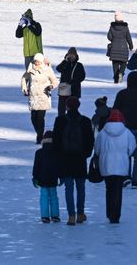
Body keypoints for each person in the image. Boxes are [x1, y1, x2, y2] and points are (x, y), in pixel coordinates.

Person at [53, 95, 95, 225]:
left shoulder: (60, 121)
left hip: (65, 159)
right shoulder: (85, 121)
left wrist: (59, 156)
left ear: (67, 106)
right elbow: (90, 141)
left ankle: (71, 215)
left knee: (68, 188)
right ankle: (80, 214)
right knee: (81, 187)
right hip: (80, 159)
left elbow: (56, 141)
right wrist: (86, 154)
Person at [97, 110, 136, 223]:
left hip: (106, 165)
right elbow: (132, 147)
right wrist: (124, 155)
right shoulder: (127, 132)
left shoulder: (103, 132)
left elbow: (97, 148)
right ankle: (116, 215)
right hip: (121, 164)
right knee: (118, 191)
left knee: (109, 189)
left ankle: (109, 213)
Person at [21, 54, 59, 143]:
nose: (36, 62)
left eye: (38, 61)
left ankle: (39, 138)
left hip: (43, 97)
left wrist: (51, 86)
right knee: (33, 118)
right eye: (35, 61)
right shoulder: (31, 69)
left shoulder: (47, 70)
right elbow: (24, 78)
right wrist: (24, 88)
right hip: (33, 97)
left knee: (40, 118)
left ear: (41, 61)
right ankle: (40, 134)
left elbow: (55, 81)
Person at [33, 130, 61, 223]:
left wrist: (35, 177)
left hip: (43, 178)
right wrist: (61, 176)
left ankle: (45, 216)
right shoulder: (57, 152)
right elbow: (59, 166)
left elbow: (36, 167)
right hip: (53, 178)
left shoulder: (39, 153)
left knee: (44, 197)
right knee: (54, 196)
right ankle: (55, 215)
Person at [56, 48, 87, 117]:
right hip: (64, 91)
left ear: (76, 56)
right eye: (70, 55)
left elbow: (82, 76)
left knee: (72, 111)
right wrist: (65, 61)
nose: (71, 56)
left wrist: (72, 82)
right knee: (61, 110)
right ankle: (61, 124)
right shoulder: (65, 63)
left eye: (73, 55)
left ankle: (71, 125)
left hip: (74, 91)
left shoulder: (79, 65)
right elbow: (58, 69)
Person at [106, 11, 133, 84]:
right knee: (124, 62)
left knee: (115, 65)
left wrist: (113, 39)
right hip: (123, 48)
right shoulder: (125, 27)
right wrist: (131, 46)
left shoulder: (112, 27)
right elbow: (128, 37)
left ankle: (115, 79)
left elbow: (109, 37)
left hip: (114, 48)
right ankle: (121, 73)